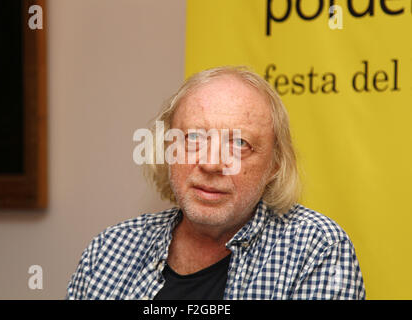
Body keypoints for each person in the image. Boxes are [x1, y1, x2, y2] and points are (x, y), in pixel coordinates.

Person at [66, 66, 366, 300]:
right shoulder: (110, 250)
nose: (210, 163)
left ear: (275, 165)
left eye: (239, 144)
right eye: (194, 138)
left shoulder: (315, 248)